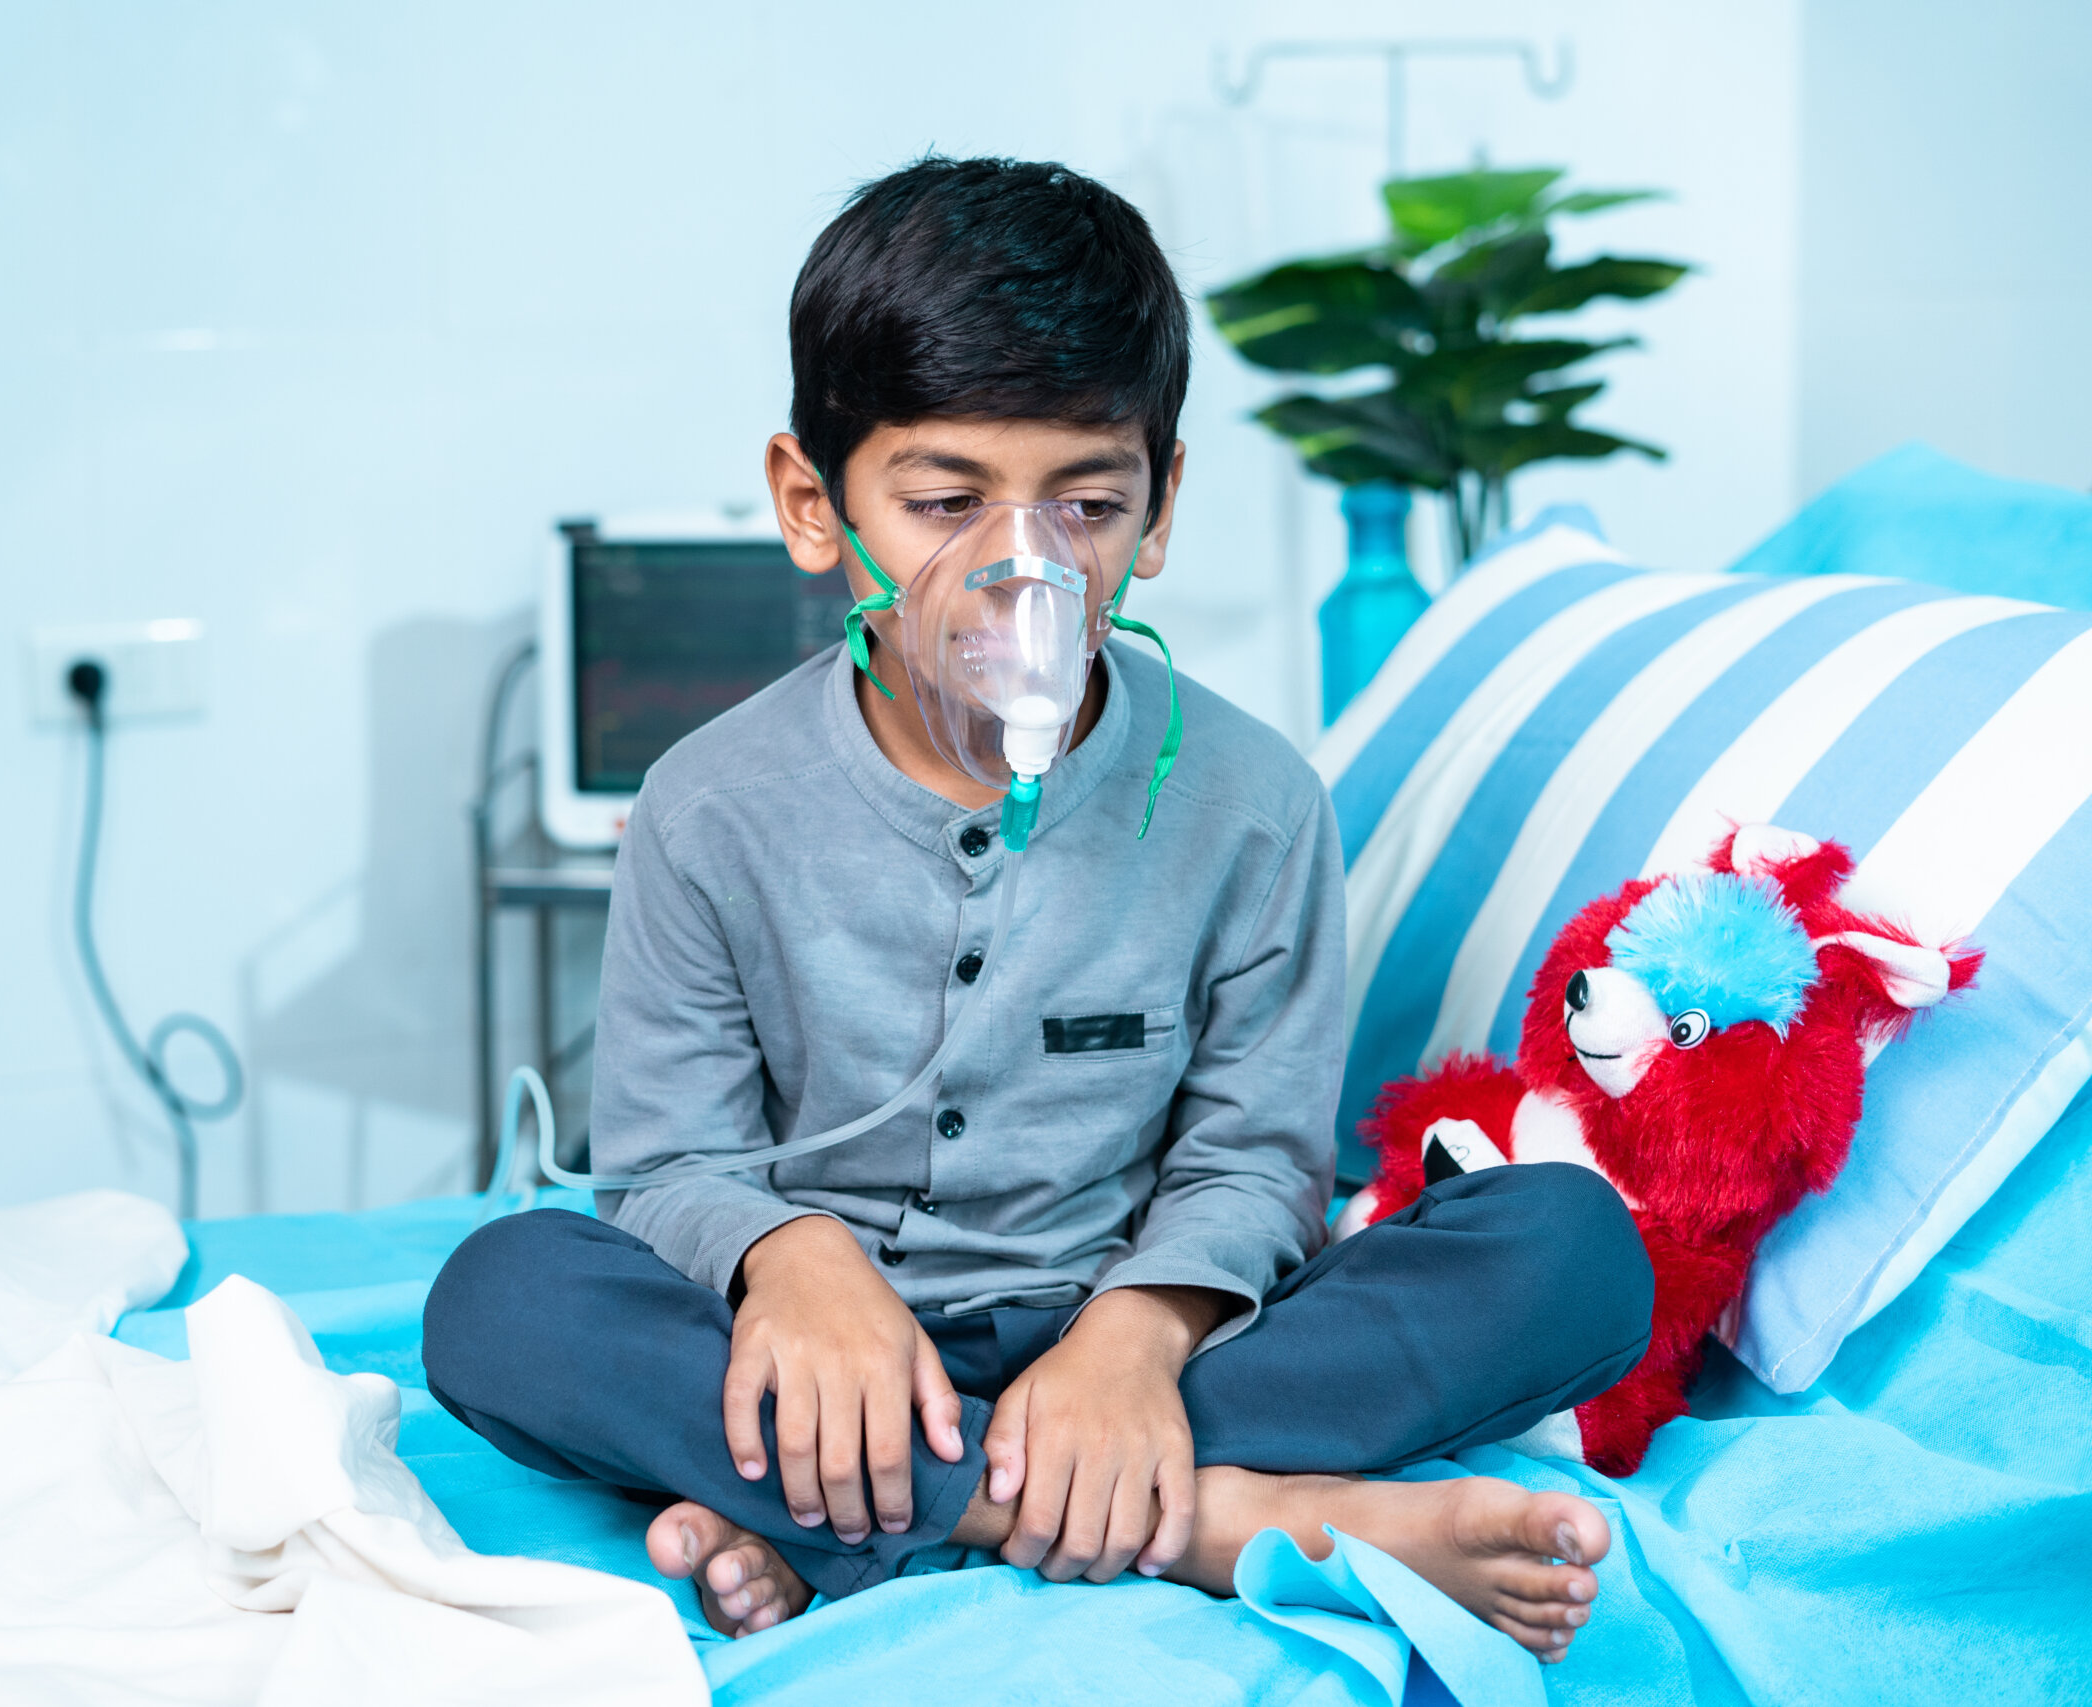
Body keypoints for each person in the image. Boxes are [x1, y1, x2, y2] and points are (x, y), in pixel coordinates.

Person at [423, 155, 1653, 1663]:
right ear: (815, 507)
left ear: (1161, 507)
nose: (1022, 571)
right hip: (830, 1355)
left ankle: (870, 1511)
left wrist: (1135, 1340)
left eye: (1084, 504)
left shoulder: (1253, 804)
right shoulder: (707, 808)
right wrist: (795, 1268)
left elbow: (1257, 1165)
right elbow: (671, 1165)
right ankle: (1216, 1520)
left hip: (1139, 1346)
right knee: (504, 1298)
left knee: (1571, 1248)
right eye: (944, 502)